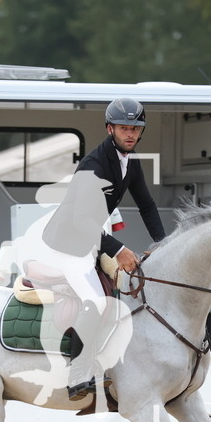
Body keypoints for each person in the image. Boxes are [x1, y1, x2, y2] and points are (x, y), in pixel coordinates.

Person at [58, 98, 166, 399]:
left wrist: (161, 244)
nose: (130, 134)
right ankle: (78, 375)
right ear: (110, 129)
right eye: (123, 129)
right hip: (69, 243)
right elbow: (79, 220)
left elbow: (146, 205)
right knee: (95, 299)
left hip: (93, 242)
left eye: (135, 128)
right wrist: (118, 249)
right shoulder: (93, 165)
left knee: (133, 286)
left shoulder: (130, 162)